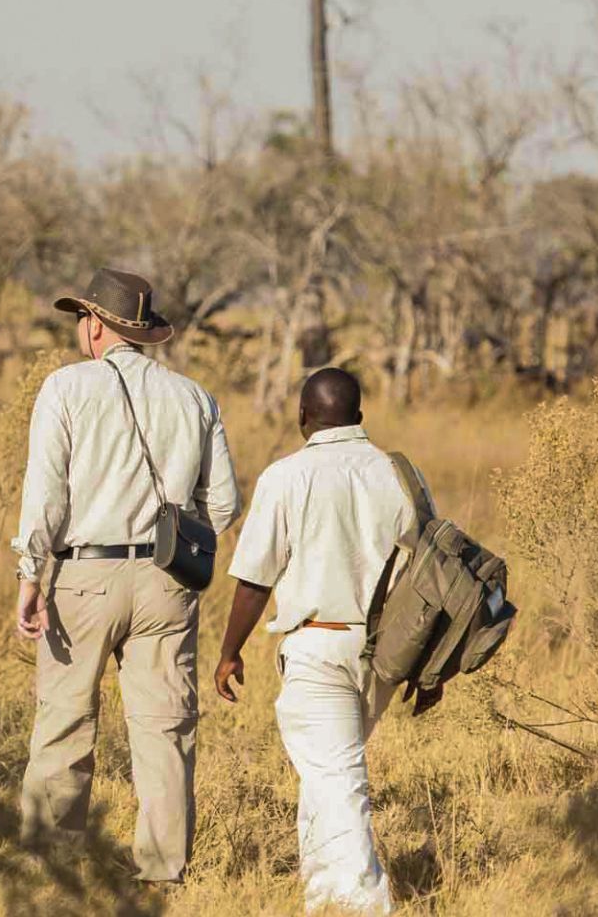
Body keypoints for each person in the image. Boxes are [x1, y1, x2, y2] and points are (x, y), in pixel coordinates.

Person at [11, 267, 241, 884]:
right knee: (165, 729)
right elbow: (222, 505)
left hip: (83, 575)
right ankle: (163, 871)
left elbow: (45, 498)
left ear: (94, 327)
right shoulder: (193, 397)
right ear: (143, 333)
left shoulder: (65, 388)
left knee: (64, 724)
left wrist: (30, 574)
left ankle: (51, 870)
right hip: (167, 581)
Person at [213, 367, 432, 915]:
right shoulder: (401, 474)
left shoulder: (286, 476)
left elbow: (255, 579)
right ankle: (323, 897)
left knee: (339, 778)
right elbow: (434, 579)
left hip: (318, 647)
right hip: (387, 652)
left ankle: (363, 901)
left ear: (303, 418)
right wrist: (431, 669)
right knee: (326, 772)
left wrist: (229, 650)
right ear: (360, 417)